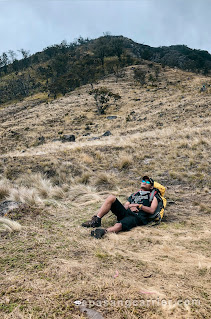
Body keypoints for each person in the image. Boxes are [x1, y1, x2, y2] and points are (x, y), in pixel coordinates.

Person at [81, 175, 162, 239]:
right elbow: (126, 205)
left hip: (137, 217)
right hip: (127, 212)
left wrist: (139, 206)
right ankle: (97, 220)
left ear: (151, 187)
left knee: (119, 225)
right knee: (111, 197)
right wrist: (131, 206)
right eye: (143, 181)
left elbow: (152, 210)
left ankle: (103, 231)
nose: (144, 182)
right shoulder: (134, 195)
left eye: (147, 182)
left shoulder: (153, 195)